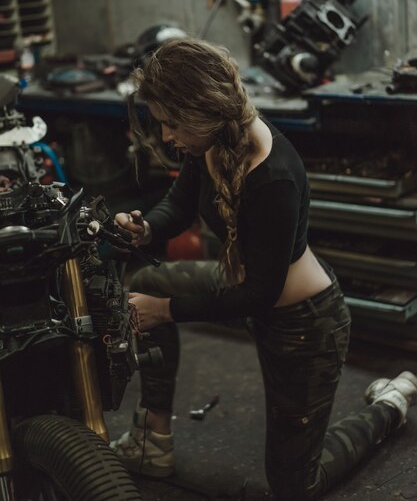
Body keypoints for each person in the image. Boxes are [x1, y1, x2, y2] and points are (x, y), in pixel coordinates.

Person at [110, 37, 417, 501]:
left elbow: (261, 294)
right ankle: (153, 441)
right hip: (244, 288)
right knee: (149, 281)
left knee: (294, 484)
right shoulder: (211, 139)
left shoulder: (272, 174)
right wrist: (145, 229)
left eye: (172, 124)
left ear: (202, 110)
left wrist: (167, 311)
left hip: (302, 323)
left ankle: (390, 406)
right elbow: (180, 203)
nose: (168, 136)